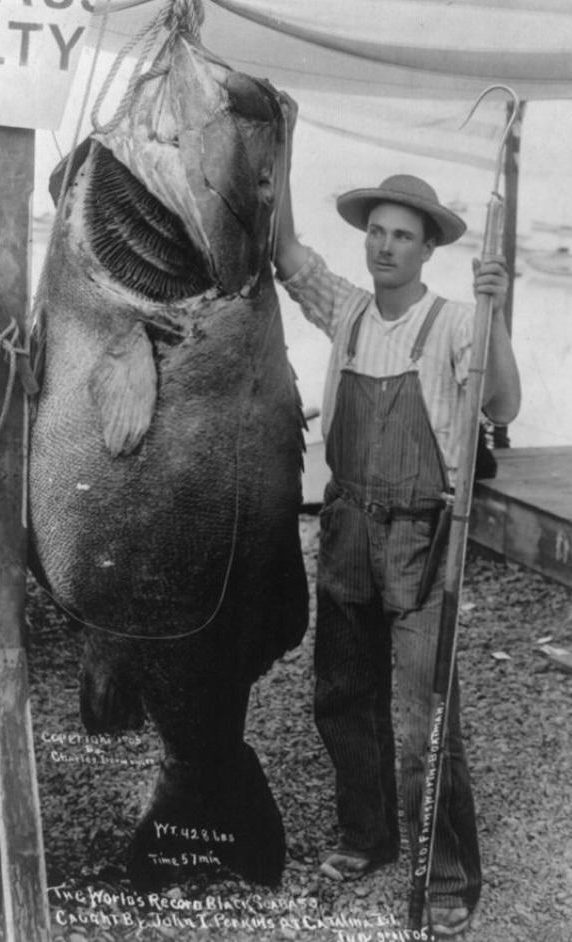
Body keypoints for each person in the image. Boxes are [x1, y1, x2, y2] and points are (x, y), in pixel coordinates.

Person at [273, 99, 521, 939]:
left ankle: (447, 874)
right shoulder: (343, 310)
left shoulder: (454, 323)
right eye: (375, 231)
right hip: (344, 528)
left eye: (401, 235)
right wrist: (286, 133)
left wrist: (497, 312)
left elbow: (502, 399)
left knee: (425, 719)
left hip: (422, 538)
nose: (383, 245)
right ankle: (366, 836)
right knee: (342, 698)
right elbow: (285, 255)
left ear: (427, 248)